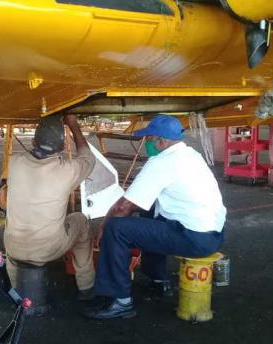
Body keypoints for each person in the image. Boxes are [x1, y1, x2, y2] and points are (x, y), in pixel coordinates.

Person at [85, 115, 226, 319]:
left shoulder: (162, 162)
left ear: (161, 142)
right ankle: (159, 280)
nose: (147, 143)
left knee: (117, 228)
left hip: (194, 238)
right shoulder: (190, 154)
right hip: (214, 234)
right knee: (149, 210)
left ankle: (119, 301)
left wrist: (103, 227)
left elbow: (124, 206)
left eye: (149, 139)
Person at [4, 114, 96, 306]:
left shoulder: (14, 162)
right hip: (49, 249)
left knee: (14, 249)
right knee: (80, 220)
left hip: (13, 248)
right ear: (62, 148)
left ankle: (15, 291)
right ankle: (86, 286)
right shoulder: (67, 171)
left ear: (33, 140)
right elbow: (88, 158)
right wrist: (73, 126)